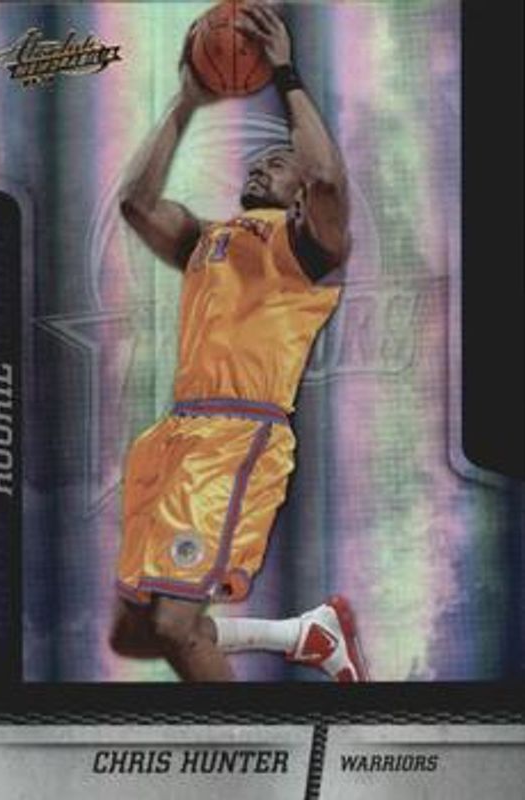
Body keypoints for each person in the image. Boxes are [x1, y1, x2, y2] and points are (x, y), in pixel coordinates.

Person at [110, 3, 368, 682]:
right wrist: (186, 101)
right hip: (175, 436)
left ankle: (248, 745)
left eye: (277, 163)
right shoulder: (207, 238)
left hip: (237, 438)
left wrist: (284, 73)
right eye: (258, 160)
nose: (261, 166)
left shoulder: (308, 246)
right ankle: (304, 635)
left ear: (297, 198)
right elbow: (136, 203)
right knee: (133, 635)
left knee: (173, 626)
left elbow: (326, 177)